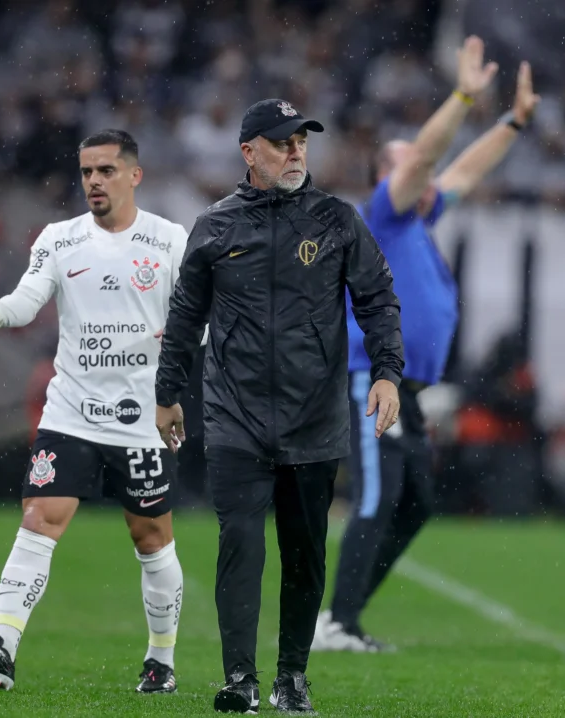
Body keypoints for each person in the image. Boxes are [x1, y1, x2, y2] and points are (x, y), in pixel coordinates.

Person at [155, 99, 405, 714]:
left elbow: (377, 300)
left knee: (304, 550)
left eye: (302, 141)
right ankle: (239, 678)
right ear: (249, 152)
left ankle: (290, 677)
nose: (296, 151)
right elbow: (184, 318)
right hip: (234, 415)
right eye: (282, 142)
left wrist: (388, 375)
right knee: (240, 543)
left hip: (313, 417)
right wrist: (166, 394)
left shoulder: (338, 220)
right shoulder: (214, 226)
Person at [312, 37, 540, 652]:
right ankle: (336, 622)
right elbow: (425, 164)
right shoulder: (382, 214)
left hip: (407, 391)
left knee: (415, 504)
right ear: (388, 176)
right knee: (379, 497)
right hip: (374, 383)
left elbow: (464, 169)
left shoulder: (420, 218)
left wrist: (513, 121)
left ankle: (343, 615)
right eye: (412, 162)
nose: (427, 168)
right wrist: (464, 96)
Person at [0, 130, 191, 694]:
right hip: (70, 414)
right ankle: (3, 650)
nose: (94, 182)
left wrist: (168, 392)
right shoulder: (59, 239)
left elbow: (196, 321)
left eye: (106, 171)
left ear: (135, 175)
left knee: (151, 538)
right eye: (86, 172)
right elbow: (28, 297)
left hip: (138, 420)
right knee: (38, 518)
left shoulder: (170, 240)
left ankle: (161, 660)